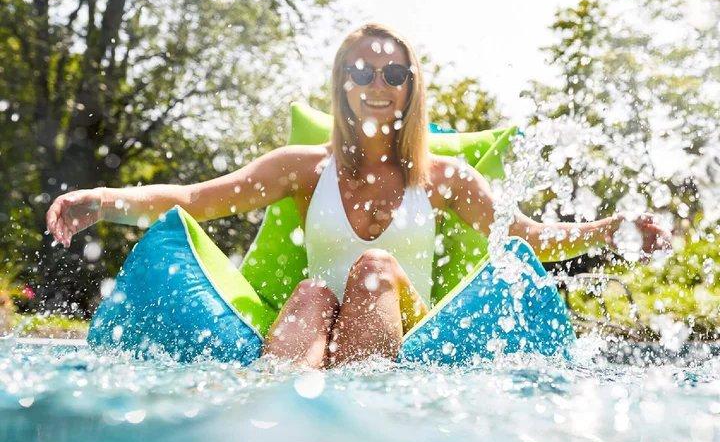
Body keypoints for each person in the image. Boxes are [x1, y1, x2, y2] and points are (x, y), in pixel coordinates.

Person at [46, 22, 671, 369]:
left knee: (373, 270)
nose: (378, 83)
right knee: (315, 291)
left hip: (406, 329)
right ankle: (275, 421)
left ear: (411, 89)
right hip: (313, 332)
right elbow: (195, 198)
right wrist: (102, 199)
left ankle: (356, 422)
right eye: (363, 71)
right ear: (342, 83)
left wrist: (613, 230)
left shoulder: (445, 177)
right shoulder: (301, 169)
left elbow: (529, 240)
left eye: (394, 74)